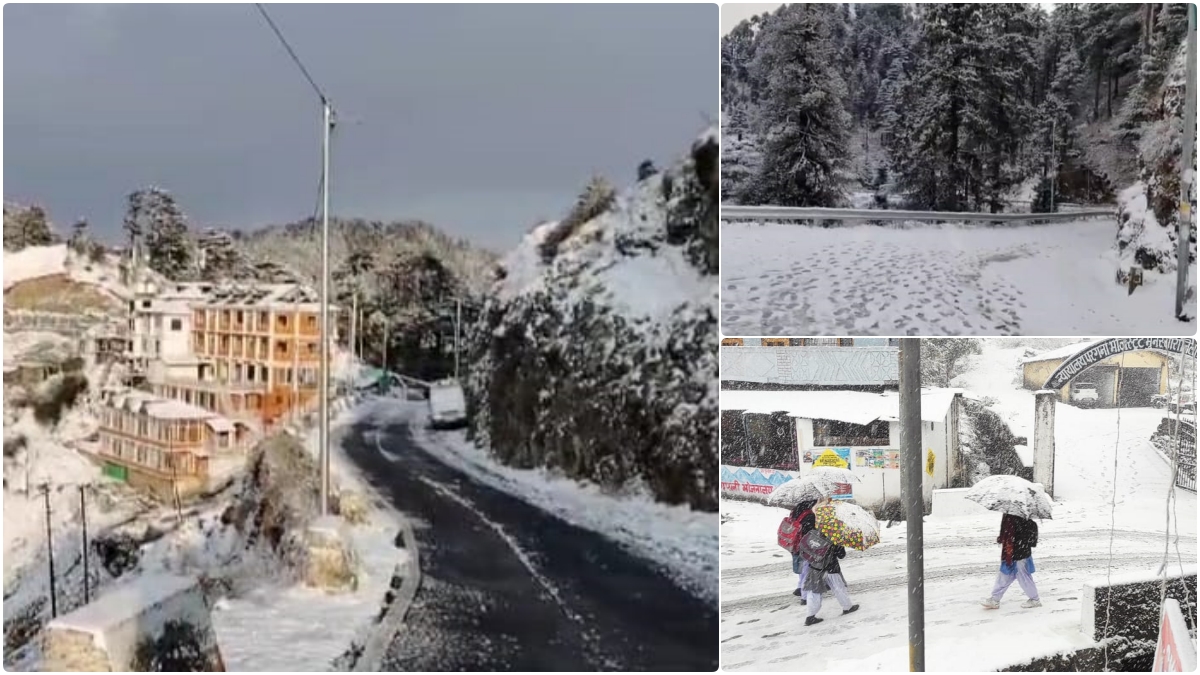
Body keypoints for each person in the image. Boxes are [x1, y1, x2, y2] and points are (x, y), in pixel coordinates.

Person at [802, 498, 859, 625]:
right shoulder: (834, 531)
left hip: (814, 565)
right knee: (838, 587)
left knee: (814, 591)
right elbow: (841, 554)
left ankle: (810, 616)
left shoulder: (811, 525)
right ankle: (847, 607)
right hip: (830, 566)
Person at [980, 512, 1041, 609]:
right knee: (1004, 576)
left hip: (1020, 555)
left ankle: (1035, 599)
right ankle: (995, 599)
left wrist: (1018, 539)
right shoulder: (1010, 517)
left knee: (1023, 576)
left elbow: (1031, 541)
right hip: (1010, 554)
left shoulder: (1020, 520)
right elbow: (1031, 541)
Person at [789, 499, 818, 601]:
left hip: (794, 545)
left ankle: (800, 587)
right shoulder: (809, 516)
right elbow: (810, 533)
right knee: (807, 570)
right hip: (804, 546)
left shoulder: (795, 512)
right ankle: (804, 597)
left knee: (802, 568)